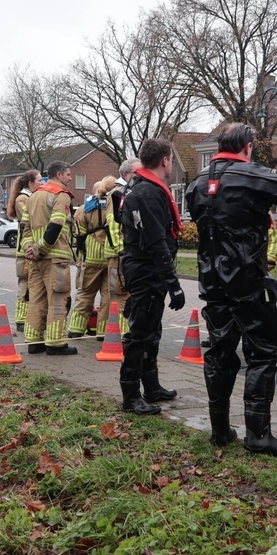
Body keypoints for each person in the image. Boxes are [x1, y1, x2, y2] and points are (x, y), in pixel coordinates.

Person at [185, 123, 277, 455]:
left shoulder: (197, 183)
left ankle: (220, 429)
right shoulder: (251, 175)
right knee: (263, 352)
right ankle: (258, 433)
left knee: (220, 352)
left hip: (212, 281)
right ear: (249, 146)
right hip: (247, 281)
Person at [119, 139, 184, 415]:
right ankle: (131, 395)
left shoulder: (143, 189)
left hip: (146, 268)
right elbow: (156, 240)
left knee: (152, 331)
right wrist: (174, 284)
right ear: (165, 161)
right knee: (140, 333)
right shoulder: (148, 193)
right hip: (146, 270)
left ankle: (151, 386)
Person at [22, 160, 77, 355]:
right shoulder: (60, 195)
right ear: (59, 175)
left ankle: (34, 341)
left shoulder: (34, 195)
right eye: (69, 175)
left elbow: (25, 227)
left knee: (36, 298)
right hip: (55, 257)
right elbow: (56, 226)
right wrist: (41, 248)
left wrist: (30, 248)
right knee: (57, 299)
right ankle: (56, 343)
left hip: (36, 260)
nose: (70, 179)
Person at [69, 176, 117, 340]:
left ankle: (76, 329)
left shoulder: (84, 208)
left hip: (91, 256)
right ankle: (103, 332)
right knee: (108, 296)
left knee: (85, 293)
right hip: (110, 256)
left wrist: (81, 252)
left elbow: (78, 234)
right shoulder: (115, 205)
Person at [104, 159, 139, 339]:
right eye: (137, 171)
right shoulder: (117, 193)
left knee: (126, 294)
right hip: (119, 254)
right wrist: (120, 249)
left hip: (127, 253)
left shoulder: (129, 192)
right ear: (127, 174)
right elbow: (111, 222)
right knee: (120, 294)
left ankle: (123, 333)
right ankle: (118, 336)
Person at [8, 169, 42, 333]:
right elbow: (33, 217)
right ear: (30, 183)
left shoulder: (30, 197)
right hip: (24, 250)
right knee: (25, 285)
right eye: (39, 181)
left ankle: (27, 317)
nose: (41, 184)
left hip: (30, 248)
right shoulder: (23, 198)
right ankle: (21, 319)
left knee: (31, 285)